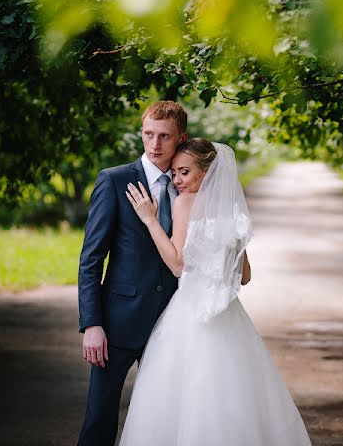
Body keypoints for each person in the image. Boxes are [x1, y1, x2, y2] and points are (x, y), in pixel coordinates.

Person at [119, 138, 312, 446]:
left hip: (189, 310)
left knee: (182, 396)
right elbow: (245, 275)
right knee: (234, 394)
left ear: (206, 173)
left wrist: (150, 220)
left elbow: (178, 266)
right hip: (228, 311)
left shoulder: (183, 203)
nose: (177, 181)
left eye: (184, 172)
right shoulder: (232, 211)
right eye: (175, 174)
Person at [77, 101, 188, 446]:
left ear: (180, 139)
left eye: (165, 137)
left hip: (171, 323)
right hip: (118, 324)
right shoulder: (114, 181)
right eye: (148, 134)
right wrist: (92, 324)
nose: (155, 145)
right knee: (100, 418)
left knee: (164, 419)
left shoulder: (186, 185)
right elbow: (91, 260)